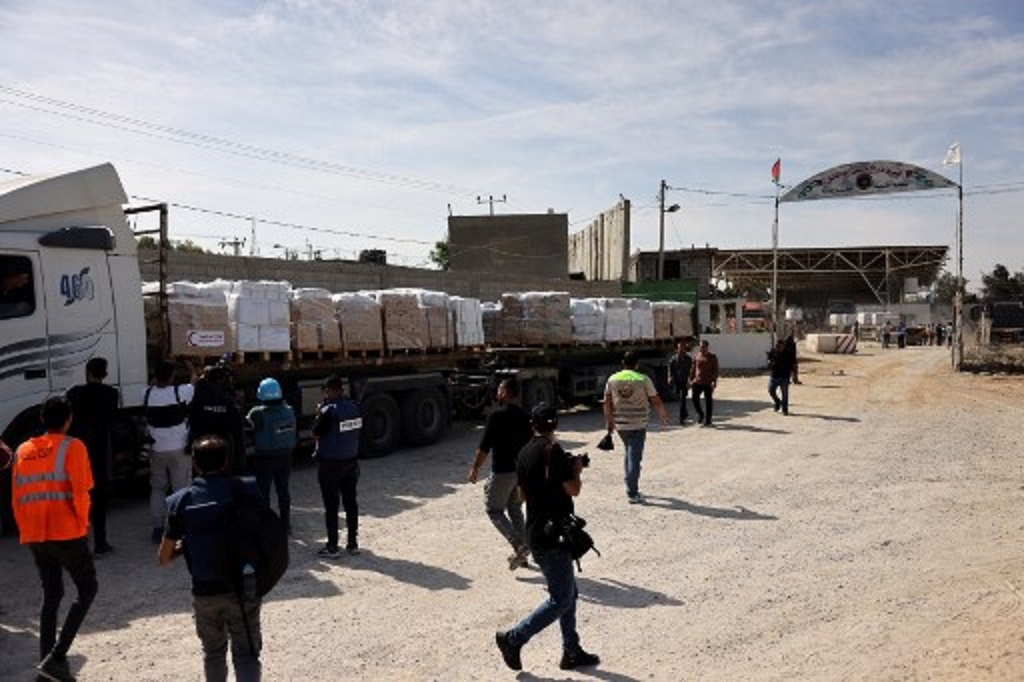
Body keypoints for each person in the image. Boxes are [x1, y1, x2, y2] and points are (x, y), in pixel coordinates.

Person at [495, 403, 599, 673]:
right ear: (556, 426)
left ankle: (571, 651)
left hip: (536, 532)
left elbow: (521, 496)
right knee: (561, 599)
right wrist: (575, 468)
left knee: (569, 593)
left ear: (534, 424)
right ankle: (513, 638)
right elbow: (573, 490)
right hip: (553, 536)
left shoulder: (525, 452)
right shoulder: (554, 452)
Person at [159, 435, 264, 682]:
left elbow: (163, 557)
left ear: (195, 464)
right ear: (227, 461)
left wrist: (188, 545)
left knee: (213, 653)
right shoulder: (247, 489)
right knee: (247, 655)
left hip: (205, 591)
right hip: (242, 586)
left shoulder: (180, 501)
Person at [12, 396, 98, 682]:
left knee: (52, 594)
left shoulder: (23, 450)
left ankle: (46, 663)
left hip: (35, 534)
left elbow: (16, 497)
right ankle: (57, 657)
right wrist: (82, 525)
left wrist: (27, 530)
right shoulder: (73, 447)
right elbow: (81, 492)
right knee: (87, 589)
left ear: (41, 420)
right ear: (69, 419)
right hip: (66, 531)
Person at [468, 378, 533, 570]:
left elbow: (484, 448)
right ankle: (523, 554)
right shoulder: (525, 416)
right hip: (521, 472)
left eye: (499, 389)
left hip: (503, 471)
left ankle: (518, 545)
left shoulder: (495, 417)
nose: (497, 393)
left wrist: (475, 468)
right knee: (515, 509)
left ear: (505, 393)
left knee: (494, 510)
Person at [66, 357, 120, 554]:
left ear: (87, 372)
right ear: (104, 374)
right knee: (99, 500)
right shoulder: (111, 394)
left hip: (78, 451)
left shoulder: (74, 393)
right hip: (100, 451)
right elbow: (113, 419)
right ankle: (100, 542)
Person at [603, 351, 669, 504]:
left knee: (629, 452)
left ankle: (629, 483)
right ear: (637, 364)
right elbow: (655, 399)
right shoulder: (643, 379)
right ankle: (632, 492)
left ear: (623, 363)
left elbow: (606, 402)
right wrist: (662, 415)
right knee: (634, 457)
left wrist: (609, 421)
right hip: (638, 423)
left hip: (620, 424)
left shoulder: (612, 379)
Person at [145, 360, 195, 544]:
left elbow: (152, 384)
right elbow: (194, 381)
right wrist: (189, 367)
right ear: (172, 376)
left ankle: (157, 529)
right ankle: (180, 528)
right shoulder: (181, 391)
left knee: (157, 487)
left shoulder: (147, 393)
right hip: (179, 448)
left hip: (156, 449)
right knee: (181, 488)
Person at [312, 375, 362, 558]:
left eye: (326, 391)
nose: (325, 395)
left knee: (332, 506)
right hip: (351, 462)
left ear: (331, 391)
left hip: (330, 464)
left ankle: (332, 547)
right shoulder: (355, 407)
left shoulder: (329, 411)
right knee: (351, 503)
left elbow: (316, 433)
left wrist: (319, 414)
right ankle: (353, 543)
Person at [246, 377, 296, 533]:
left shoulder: (257, 413)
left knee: (264, 492)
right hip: (285, 455)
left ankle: (266, 525)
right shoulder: (289, 410)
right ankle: (285, 524)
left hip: (265, 457)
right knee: (283, 490)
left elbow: (248, 427)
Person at [190, 364, 245, 473]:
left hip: (203, 444)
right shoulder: (229, 397)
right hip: (223, 444)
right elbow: (237, 426)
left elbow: (192, 418)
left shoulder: (199, 395)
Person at [689, 339, 720, 427]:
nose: (702, 348)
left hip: (708, 382)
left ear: (707, 347)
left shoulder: (712, 357)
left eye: (703, 347)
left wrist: (714, 381)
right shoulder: (697, 356)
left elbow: (715, 370)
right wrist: (690, 379)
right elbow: (693, 368)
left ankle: (708, 420)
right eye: (701, 347)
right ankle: (701, 414)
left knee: (708, 401)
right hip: (697, 381)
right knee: (694, 399)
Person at [667, 340, 693, 425]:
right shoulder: (673, 359)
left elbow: (691, 371)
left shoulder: (688, 359)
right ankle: (685, 412)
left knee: (683, 399)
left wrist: (689, 381)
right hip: (677, 381)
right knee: (680, 398)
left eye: (683, 348)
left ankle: (681, 419)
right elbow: (670, 369)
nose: (682, 349)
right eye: (680, 348)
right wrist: (670, 377)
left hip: (685, 382)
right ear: (677, 349)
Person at [767, 339, 794, 415]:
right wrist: (770, 362)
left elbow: (793, 364)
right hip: (774, 375)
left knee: (785, 394)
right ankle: (777, 401)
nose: (778, 348)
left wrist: (793, 376)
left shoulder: (788, 353)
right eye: (777, 346)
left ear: (783, 346)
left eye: (780, 346)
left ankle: (785, 409)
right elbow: (769, 362)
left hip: (784, 376)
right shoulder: (773, 352)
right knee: (771, 390)